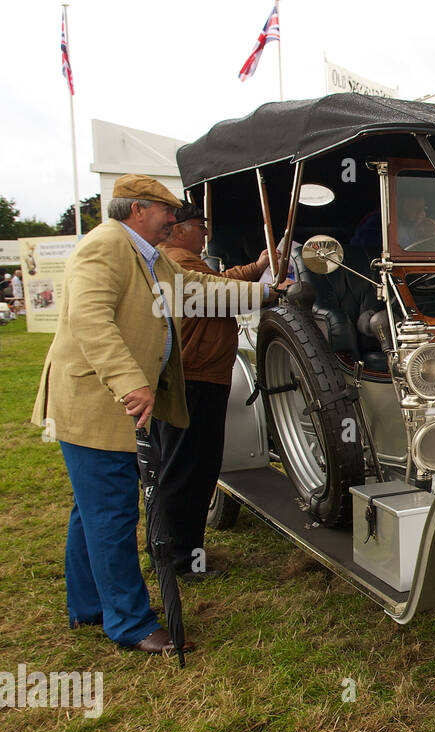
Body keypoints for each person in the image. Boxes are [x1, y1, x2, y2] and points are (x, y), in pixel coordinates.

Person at [31, 175, 273, 654]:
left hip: (114, 403)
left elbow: (199, 290)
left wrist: (266, 293)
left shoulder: (149, 256)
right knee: (112, 515)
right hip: (97, 406)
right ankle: (131, 624)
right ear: (139, 209)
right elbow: (90, 321)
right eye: (167, 211)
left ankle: (88, 607)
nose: (174, 220)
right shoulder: (104, 248)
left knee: (92, 511)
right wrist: (131, 382)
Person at [155, 203, 269, 582]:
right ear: (182, 229)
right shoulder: (178, 264)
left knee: (180, 466)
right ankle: (182, 561)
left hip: (195, 377)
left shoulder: (181, 261)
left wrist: (257, 267)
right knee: (190, 470)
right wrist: (269, 292)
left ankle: (169, 549)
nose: (206, 232)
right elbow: (218, 292)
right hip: (196, 380)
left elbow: (218, 280)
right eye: (201, 226)